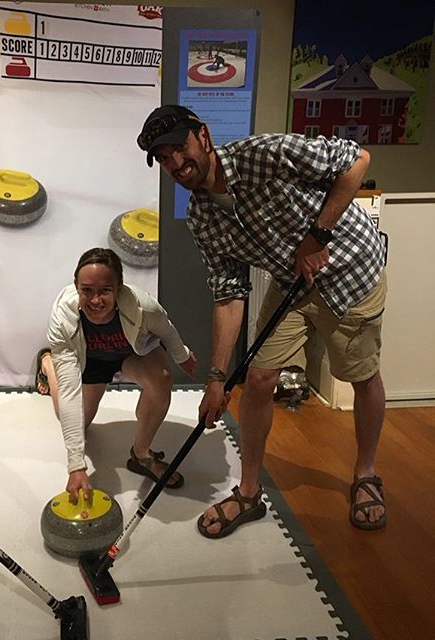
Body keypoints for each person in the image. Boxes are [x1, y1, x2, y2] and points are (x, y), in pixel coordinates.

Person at [136, 105, 387, 537]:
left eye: (179, 147)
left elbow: (357, 160)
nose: (175, 163)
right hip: (293, 281)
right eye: (162, 158)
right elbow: (229, 293)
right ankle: (249, 492)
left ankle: (366, 473)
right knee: (256, 378)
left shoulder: (264, 154)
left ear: (203, 135)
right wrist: (216, 377)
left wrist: (318, 234)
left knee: (360, 376)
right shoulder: (202, 216)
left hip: (351, 270)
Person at [36, 247, 197, 501]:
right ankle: (47, 363)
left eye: (105, 291)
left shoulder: (143, 307)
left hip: (130, 355)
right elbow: (69, 391)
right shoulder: (62, 319)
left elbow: (167, 330)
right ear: (76, 286)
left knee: (162, 378)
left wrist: (182, 356)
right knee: (76, 422)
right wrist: (76, 464)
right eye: (87, 290)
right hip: (90, 362)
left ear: (119, 287)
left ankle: (142, 454)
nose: (96, 300)